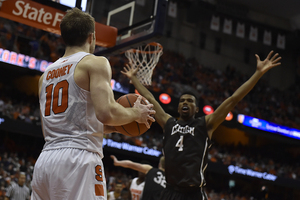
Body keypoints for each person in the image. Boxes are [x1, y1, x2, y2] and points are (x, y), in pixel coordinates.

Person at [31, 8, 155, 200]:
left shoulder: (45, 75)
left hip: (45, 160)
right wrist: (135, 114)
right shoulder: (95, 63)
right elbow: (106, 113)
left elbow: (71, 122)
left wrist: (115, 127)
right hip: (79, 160)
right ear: (92, 37)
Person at [121, 51, 281, 200]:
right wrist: (134, 78)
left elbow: (234, 99)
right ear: (178, 107)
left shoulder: (206, 124)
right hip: (169, 191)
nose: (185, 102)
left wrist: (258, 73)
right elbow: (150, 97)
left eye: (190, 101)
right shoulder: (168, 122)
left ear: (196, 109)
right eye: (182, 100)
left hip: (192, 193)